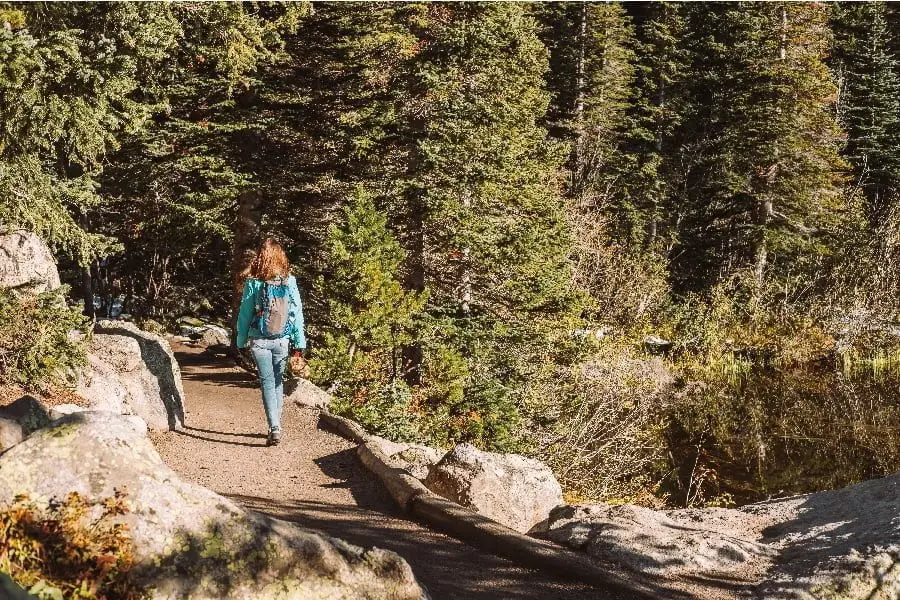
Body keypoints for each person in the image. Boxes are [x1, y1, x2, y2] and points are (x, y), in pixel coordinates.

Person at [236, 238, 306, 446]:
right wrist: (299, 341)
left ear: (261, 258)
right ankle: (277, 424)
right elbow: (297, 313)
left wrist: (240, 340)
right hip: (282, 340)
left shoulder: (253, 282)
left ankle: (274, 426)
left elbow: (244, 315)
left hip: (259, 340)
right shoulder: (289, 281)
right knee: (277, 381)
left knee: (267, 381)